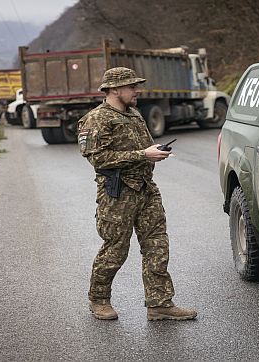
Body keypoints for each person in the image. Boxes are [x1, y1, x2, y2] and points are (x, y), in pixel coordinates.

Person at [77, 67, 197, 321]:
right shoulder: (97, 119)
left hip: (146, 189)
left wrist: (154, 151)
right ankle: (98, 300)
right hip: (117, 193)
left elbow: (143, 146)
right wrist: (143, 155)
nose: (137, 91)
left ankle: (160, 303)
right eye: (132, 87)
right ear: (114, 89)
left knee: (157, 246)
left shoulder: (134, 114)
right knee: (115, 249)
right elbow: (97, 158)